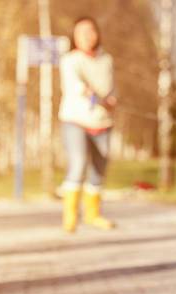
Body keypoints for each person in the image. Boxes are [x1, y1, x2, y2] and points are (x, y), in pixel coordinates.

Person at [58, 16, 117, 233]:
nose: (86, 36)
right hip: (75, 119)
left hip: (102, 121)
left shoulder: (106, 60)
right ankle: (70, 216)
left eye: (90, 31)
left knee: (99, 169)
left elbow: (112, 87)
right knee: (79, 161)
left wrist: (112, 100)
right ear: (74, 37)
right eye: (81, 32)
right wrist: (88, 91)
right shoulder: (69, 60)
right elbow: (74, 85)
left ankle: (93, 214)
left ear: (97, 33)